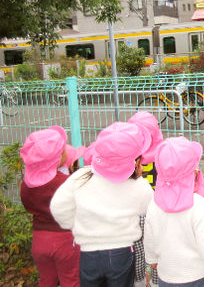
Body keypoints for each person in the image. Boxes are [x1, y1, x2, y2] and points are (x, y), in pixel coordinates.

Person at [50, 122, 154, 287]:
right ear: (136, 161)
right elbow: (148, 209)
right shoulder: (138, 185)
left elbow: (58, 207)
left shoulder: (82, 176)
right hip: (122, 252)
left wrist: (75, 225)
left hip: (88, 252)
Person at [143, 137, 204, 287]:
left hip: (166, 275)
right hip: (196, 277)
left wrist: (152, 259)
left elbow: (149, 236)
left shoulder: (155, 202)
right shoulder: (198, 204)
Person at [19, 125, 80, 287]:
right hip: (65, 240)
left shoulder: (26, 185)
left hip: (40, 239)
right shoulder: (66, 183)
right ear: (59, 158)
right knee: (71, 280)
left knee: (46, 280)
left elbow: (28, 206)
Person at [128, 111, 164, 287]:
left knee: (139, 252)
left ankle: (140, 281)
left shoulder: (128, 154)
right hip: (158, 210)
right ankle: (157, 282)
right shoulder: (162, 153)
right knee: (158, 251)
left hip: (134, 211)